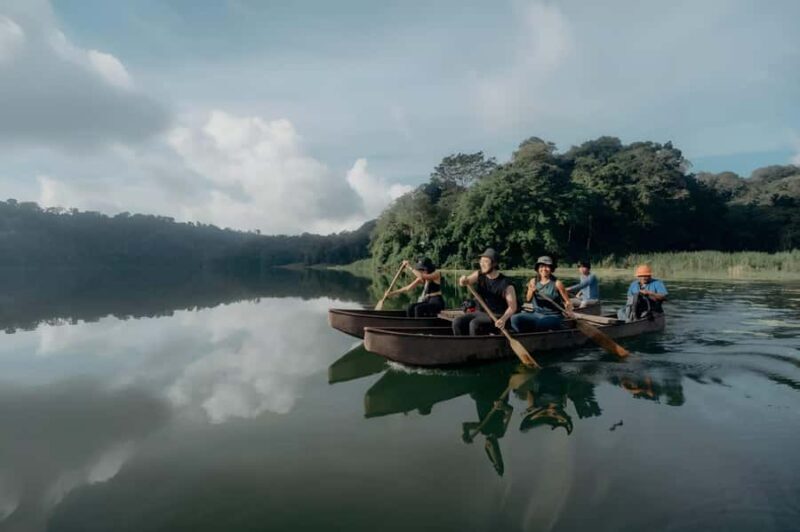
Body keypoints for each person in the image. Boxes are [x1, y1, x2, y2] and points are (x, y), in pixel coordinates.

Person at [452, 248, 517, 336]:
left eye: (485, 261)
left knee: (474, 324)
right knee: (457, 322)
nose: (482, 264)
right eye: (481, 261)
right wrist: (463, 280)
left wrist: (503, 319)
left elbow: (512, 307)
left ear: (494, 264)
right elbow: (464, 282)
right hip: (480, 312)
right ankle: (461, 346)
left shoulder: (506, 283)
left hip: (496, 316)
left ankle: (476, 348)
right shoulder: (479, 275)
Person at [510, 256, 574, 333]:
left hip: (553, 316)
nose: (544, 269)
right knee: (514, 318)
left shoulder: (557, 283)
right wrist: (531, 290)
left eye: (547, 267)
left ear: (551, 269)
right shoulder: (533, 281)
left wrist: (569, 311)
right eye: (541, 266)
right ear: (538, 269)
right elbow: (528, 299)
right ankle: (521, 337)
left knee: (542, 323)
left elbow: (568, 302)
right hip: (537, 314)